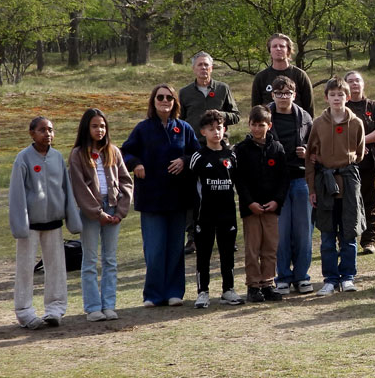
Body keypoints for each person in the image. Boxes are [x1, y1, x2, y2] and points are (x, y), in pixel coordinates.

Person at [122, 85, 200, 307]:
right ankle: (153, 294)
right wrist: (135, 164)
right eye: (160, 97)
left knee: (175, 249)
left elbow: (197, 153)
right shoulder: (143, 128)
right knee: (155, 249)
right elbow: (125, 151)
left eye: (169, 97)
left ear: (175, 102)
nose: (165, 101)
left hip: (178, 198)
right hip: (151, 199)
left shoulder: (184, 128)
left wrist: (184, 160)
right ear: (153, 101)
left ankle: (174, 292)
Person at [8, 117, 82, 328]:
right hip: (30, 225)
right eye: (42, 130)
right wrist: (20, 224)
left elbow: (66, 189)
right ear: (32, 133)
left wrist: (72, 219)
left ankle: (55, 309)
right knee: (25, 269)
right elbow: (17, 193)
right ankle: (24, 312)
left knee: (56, 268)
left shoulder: (57, 157)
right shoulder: (23, 158)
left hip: (53, 223)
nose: (47, 134)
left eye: (50, 129)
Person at [69, 109, 134, 322]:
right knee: (90, 260)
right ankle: (93, 307)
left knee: (110, 259)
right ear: (86, 128)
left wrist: (120, 211)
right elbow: (79, 187)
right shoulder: (78, 154)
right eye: (95, 126)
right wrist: (97, 213)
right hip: (91, 212)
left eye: (103, 126)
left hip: (113, 208)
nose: (99, 130)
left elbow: (126, 181)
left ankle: (109, 305)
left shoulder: (113, 151)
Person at [178, 50, 241, 255]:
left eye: (206, 65)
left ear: (212, 68)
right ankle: (193, 237)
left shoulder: (223, 89)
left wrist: (218, 116)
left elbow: (236, 115)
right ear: (193, 68)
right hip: (195, 147)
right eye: (200, 65)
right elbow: (179, 120)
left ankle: (227, 235)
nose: (203, 68)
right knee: (193, 193)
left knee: (224, 190)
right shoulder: (185, 93)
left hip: (220, 148)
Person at [307, 78, 366, 293]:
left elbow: (359, 153)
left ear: (347, 97)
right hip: (325, 184)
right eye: (332, 95)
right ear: (326, 98)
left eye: (340, 95)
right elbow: (310, 157)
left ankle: (348, 276)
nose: (336, 98)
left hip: (348, 182)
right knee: (327, 235)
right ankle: (330, 279)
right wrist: (312, 189)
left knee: (349, 233)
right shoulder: (318, 124)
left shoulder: (356, 123)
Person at [188, 109, 245, 307]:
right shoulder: (198, 157)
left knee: (227, 253)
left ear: (225, 129)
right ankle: (202, 292)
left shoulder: (231, 155)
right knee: (203, 254)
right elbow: (190, 187)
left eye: (219, 128)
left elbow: (238, 183)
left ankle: (228, 290)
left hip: (227, 214)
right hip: (204, 215)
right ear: (203, 132)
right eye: (211, 129)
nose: (216, 132)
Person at [235, 105, 289, 304]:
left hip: (271, 208)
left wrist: (277, 201)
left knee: (270, 248)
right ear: (249, 125)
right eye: (254, 125)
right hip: (251, 209)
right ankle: (253, 286)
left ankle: (268, 283)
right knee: (252, 249)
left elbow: (284, 178)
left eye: (261, 125)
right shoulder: (241, 149)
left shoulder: (277, 148)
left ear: (269, 125)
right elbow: (239, 180)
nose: (257, 129)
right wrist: (250, 203)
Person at [267, 75, 314, 294]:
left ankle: (302, 276)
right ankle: (283, 276)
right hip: (276, 182)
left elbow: (316, 147)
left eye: (287, 93)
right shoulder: (265, 117)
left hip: (301, 179)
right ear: (272, 95)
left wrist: (308, 152)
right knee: (281, 232)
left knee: (303, 232)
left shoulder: (305, 117)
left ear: (294, 95)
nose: (283, 97)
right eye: (279, 93)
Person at [345, 70, 375, 255]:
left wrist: (361, 142)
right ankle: (347, 240)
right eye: (350, 81)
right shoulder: (341, 106)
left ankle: (369, 240)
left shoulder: (374, 106)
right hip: (346, 162)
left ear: (363, 84)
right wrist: (353, 146)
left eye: (357, 80)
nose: (354, 84)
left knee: (370, 203)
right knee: (348, 203)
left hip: (370, 162)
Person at [251, 32, 314, 117]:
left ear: (288, 50)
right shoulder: (261, 77)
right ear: (270, 50)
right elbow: (255, 109)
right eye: (274, 46)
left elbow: (309, 108)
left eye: (282, 46)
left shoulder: (300, 75)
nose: (278, 49)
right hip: (269, 124)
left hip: (296, 123)